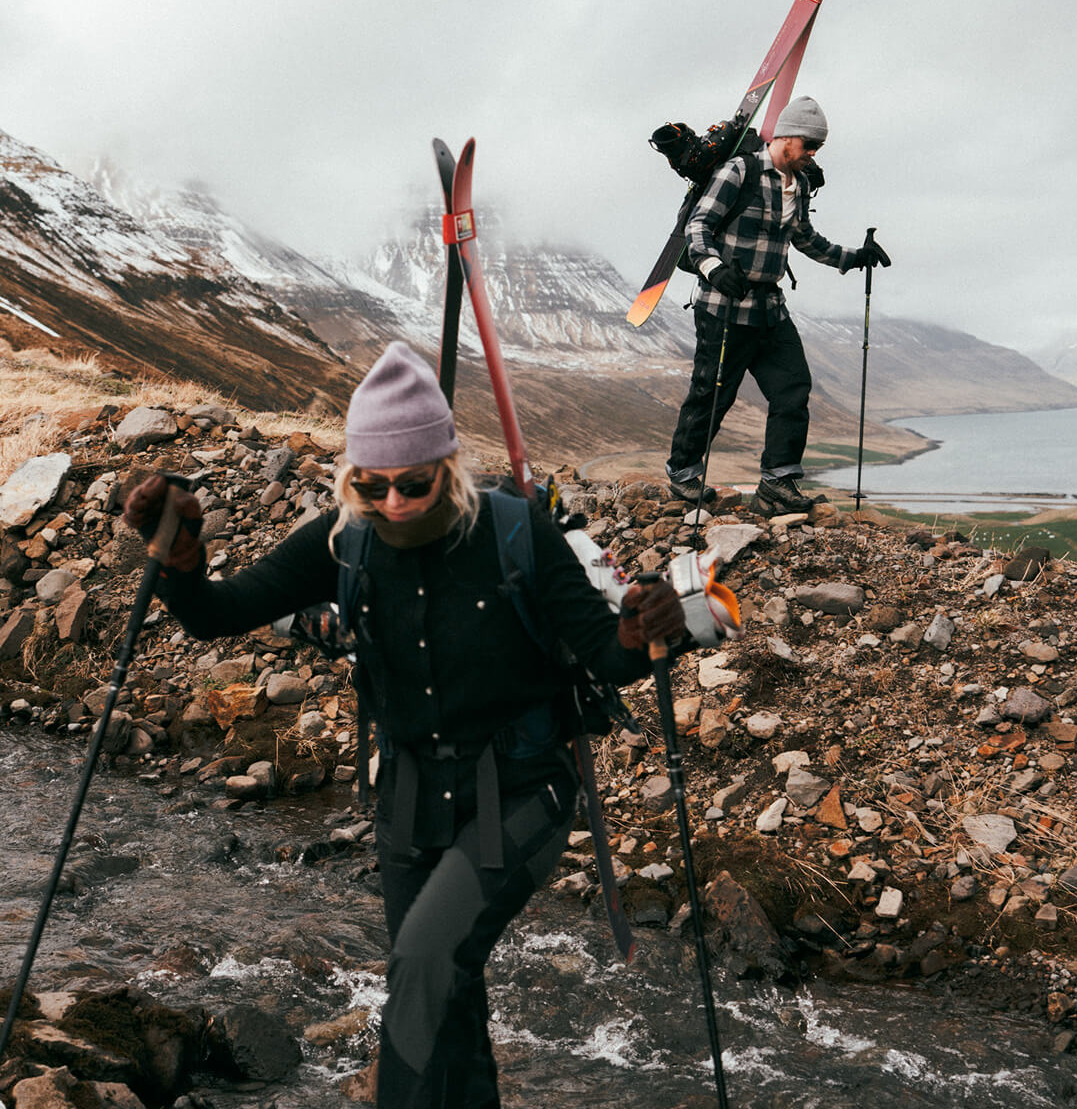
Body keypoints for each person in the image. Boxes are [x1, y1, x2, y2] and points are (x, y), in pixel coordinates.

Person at [124, 340, 685, 1109]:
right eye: (372, 484)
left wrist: (650, 627)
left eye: (413, 483)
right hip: (410, 806)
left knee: (422, 965)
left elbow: (611, 655)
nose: (392, 502)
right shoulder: (343, 538)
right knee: (451, 999)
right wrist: (181, 556)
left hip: (522, 793)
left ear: (447, 468)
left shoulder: (517, 533)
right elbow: (216, 618)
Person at [665, 95, 890, 515]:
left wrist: (853, 257)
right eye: (809, 146)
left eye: (817, 148)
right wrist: (714, 268)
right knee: (712, 394)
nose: (813, 155)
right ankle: (682, 474)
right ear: (787, 138)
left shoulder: (799, 184)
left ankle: (777, 482)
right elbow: (700, 225)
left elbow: (803, 236)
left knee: (793, 389)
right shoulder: (740, 171)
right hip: (723, 306)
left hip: (770, 308)